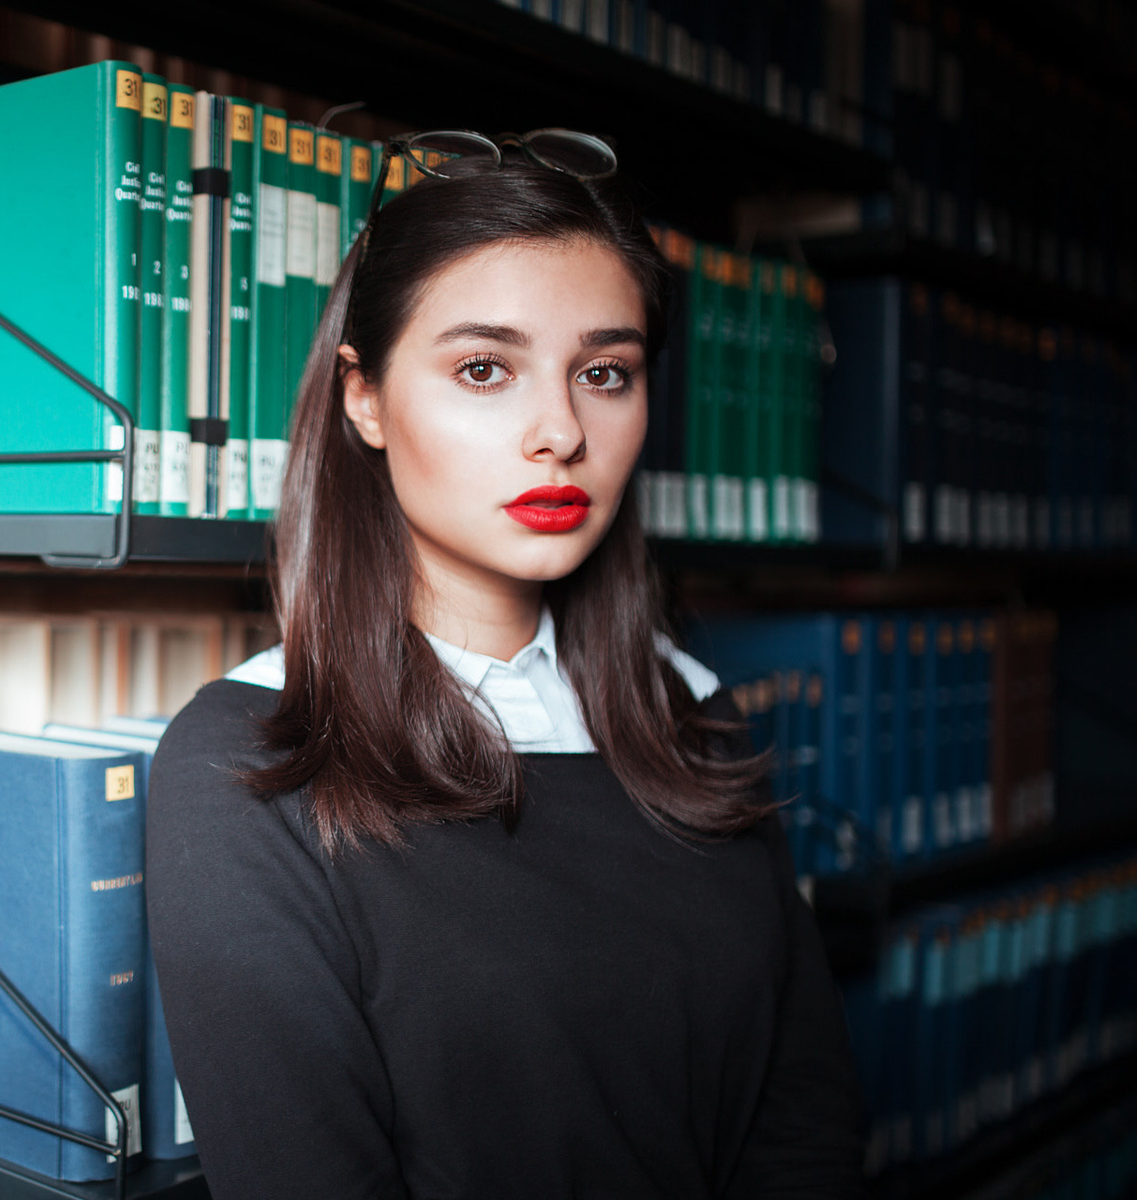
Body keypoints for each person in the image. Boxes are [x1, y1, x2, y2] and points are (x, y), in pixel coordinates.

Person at [145, 131, 865, 1199]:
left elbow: (806, 1131)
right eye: (485, 369)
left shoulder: (693, 711)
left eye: (605, 373)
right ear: (366, 398)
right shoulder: (246, 759)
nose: (560, 432)